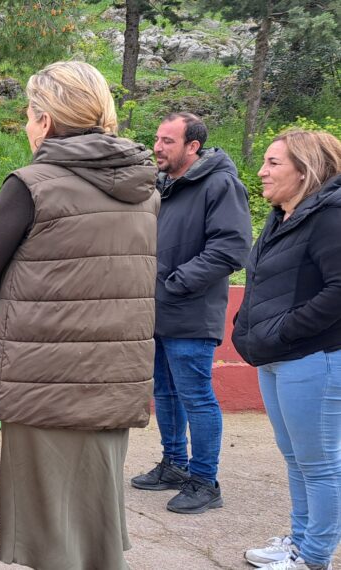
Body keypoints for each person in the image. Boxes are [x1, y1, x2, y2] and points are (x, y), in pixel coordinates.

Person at [0, 61, 159, 569]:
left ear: (46, 121)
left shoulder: (33, 184)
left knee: (49, 532)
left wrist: (12, 317)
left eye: (29, 115)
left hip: (46, 380)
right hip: (111, 378)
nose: (27, 126)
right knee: (97, 525)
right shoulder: (144, 190)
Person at [130, 112, 252, 514]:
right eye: (157, 139)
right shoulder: (165, 186)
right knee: (164, 393)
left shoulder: (220, 183)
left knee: (196, 397)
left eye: (167, 141)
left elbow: (231, 248)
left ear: (192, 146)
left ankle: (205, 480)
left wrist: (175, 283)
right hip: (160, 311)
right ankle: (174, 465)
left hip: (192, 312)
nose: (157, 147)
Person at [232, 129, 341, 570]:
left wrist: (285, 331)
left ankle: (314, 556)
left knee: (319, 463)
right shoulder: (285, 216)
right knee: (296, 457)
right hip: (278, 358)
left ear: (306, 169)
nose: (261, 172)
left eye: (274, 163)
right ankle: (298, 541)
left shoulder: (330, 217)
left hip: (312, 358)